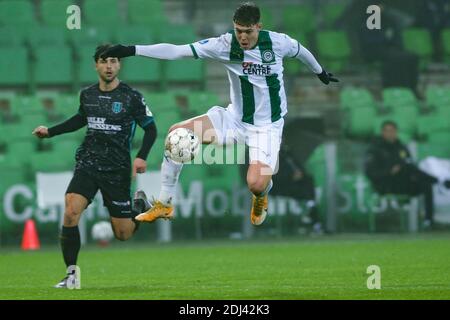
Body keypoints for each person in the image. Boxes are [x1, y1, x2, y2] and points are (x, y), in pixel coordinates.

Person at [101, 2, 338, 226]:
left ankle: (261, 195)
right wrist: (131, 50)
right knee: (177, 134)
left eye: (247, 31)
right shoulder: (224, 45)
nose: (242, 37)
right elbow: (176, 51)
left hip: (267, 127)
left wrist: (320, 72)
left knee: (255, 184)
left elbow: (301, 51)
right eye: (238, 31)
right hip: (233, 119)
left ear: (258, 26)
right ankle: (164, 203)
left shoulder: (278, 43)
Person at [32, 44, 157, 288]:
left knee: (123, 234)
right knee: (70, 211)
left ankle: (140, 206)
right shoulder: (87, 94)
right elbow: (80, 119)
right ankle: (71, 275)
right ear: (96, 65)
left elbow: (150, 128)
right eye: (104, 61)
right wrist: (51, 132)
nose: (109, 66)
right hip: (88, 162)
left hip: (117, 168)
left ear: (119, 65)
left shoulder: (132, 96)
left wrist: (141, 156)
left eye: (113, 61)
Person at [364, 121, 450, 228]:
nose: (390, 133)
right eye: (387, 131)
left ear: (396, 132)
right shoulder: (375, 149)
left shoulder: (401, 147)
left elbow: (410, 165)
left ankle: (429, 220)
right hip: (384, 185)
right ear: (383, 132)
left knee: (424, 184)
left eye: (392, 131)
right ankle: (438, 180)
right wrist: (389, 172)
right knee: (408, 168)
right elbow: (370, 172)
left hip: (401, 182)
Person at [272, 144, 323, 234]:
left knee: (308, 181)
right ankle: (310, 211)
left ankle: (310, 209)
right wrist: (291, 177)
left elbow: (300, 168)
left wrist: (300, 174)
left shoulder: (288, 154)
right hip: (281, 186)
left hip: (297, 184)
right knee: (306, 193)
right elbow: (271, 176)